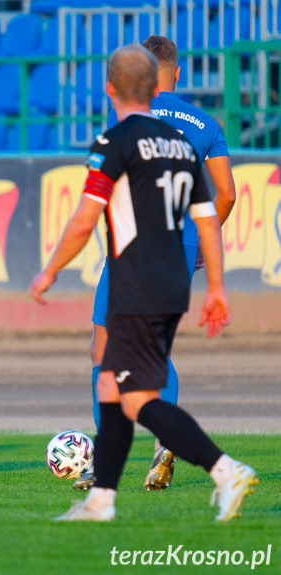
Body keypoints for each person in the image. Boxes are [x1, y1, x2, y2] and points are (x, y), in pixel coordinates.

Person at [30, 45, 257, 521]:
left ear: (110, 89)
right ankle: (102, 498)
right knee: (117, 381)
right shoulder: (182, 143)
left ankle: (223, 469)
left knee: (128, 386)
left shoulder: (117, 140)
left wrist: (50, 270)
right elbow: (213, 214)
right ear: (159, 82)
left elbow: (83, 219)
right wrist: (214, 284)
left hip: (133, 273)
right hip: (174, 273)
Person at [78, 35, 238, 492]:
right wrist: (203, 246)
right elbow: (225, 193)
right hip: (181, 246)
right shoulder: (205, 122)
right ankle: (165, 442)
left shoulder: (130, 117)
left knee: (103, 346)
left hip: (133, 246)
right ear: (178, 73)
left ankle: (103, 460)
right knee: (155, 349)